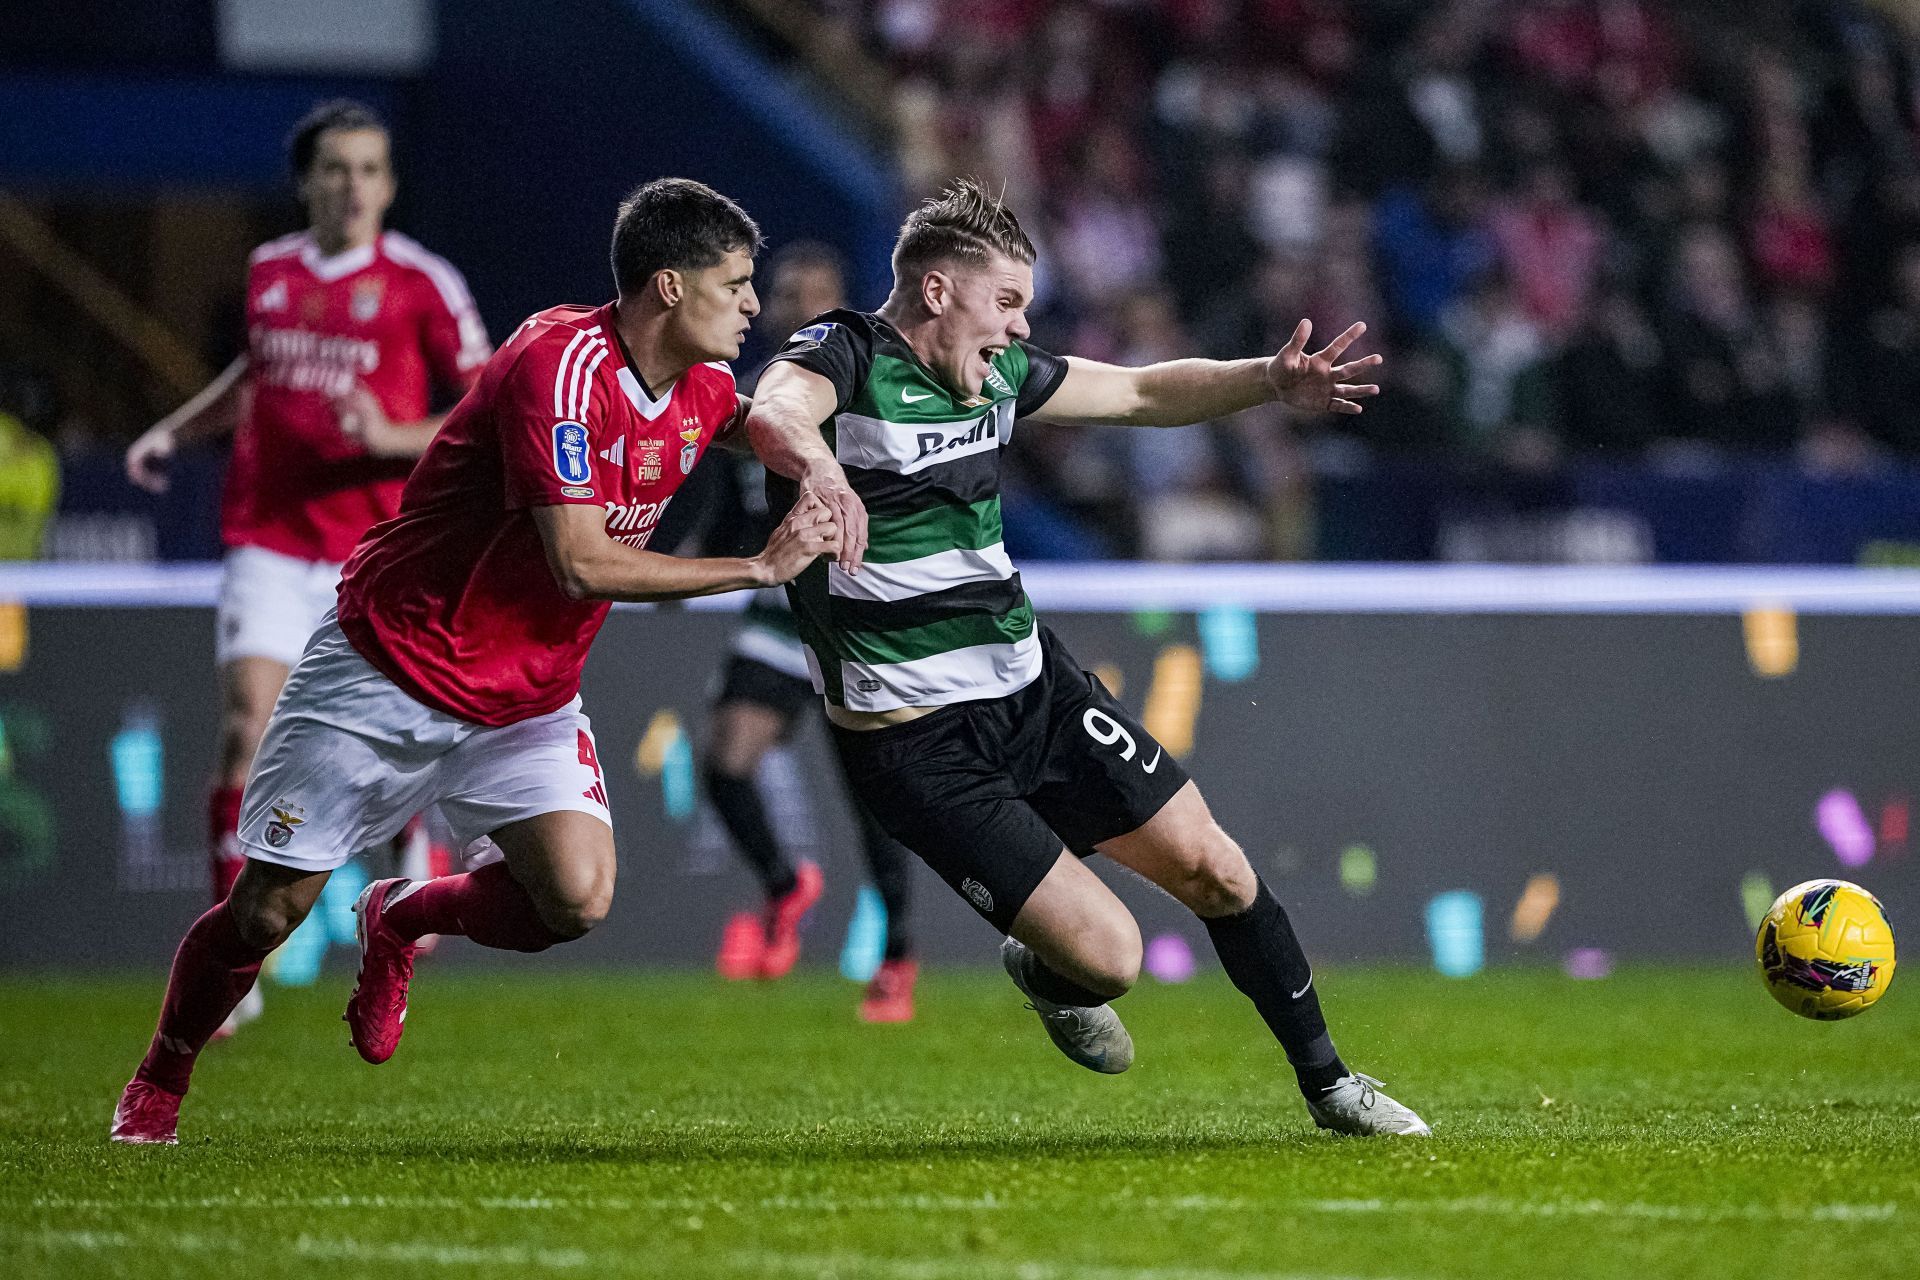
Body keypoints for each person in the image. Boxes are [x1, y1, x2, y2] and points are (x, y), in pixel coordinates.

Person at [110, 177, 854, 1145]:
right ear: (669, 286)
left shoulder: (703, 383)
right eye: (739, 282)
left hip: (526, 695)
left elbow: (752, 419)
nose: (756, 304)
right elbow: (580, 562)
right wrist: (758, 563)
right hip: (388, 665)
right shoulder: (556, 367)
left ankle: (401, 912)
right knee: (263, 911)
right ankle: (162, 1073)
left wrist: (823, 464)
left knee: (577, 896)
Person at [747, 178, 1430, 1136]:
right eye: (1009, 303)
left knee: (1220, 874)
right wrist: (820, 466)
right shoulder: (847, 353)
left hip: (1035, 689)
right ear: (938, 291)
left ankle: (1332, 1087)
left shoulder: (998, 376)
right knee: (1112, 960)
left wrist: (1269, 380)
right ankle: (1052, 964)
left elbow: (1145, 390)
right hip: (916, 745)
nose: (1021, 329)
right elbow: (770, 409)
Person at [122, 100, 489, 1033]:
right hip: (271, 537)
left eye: (370, 169)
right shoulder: (268, 271)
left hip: (377, 553)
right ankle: (237, 950)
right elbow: (257, 377)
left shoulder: (422, 282)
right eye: (336, 169)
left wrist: (391, 433)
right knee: (247, 727)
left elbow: (489, 410)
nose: (353, 185)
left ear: (390, 185)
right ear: (308, 182)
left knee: (379, 742)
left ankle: (401, 857)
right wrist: (176, 426)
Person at [700, 242, 919, 1022]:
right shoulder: (750, 397)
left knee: (873, 794)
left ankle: (896, 959)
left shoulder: (868, 385)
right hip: (778, 603)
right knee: (725, 761)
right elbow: (733, 513)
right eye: (784, 295)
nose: (795, 308)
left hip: (857, 607)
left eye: (813, 296)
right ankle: (784, 883)